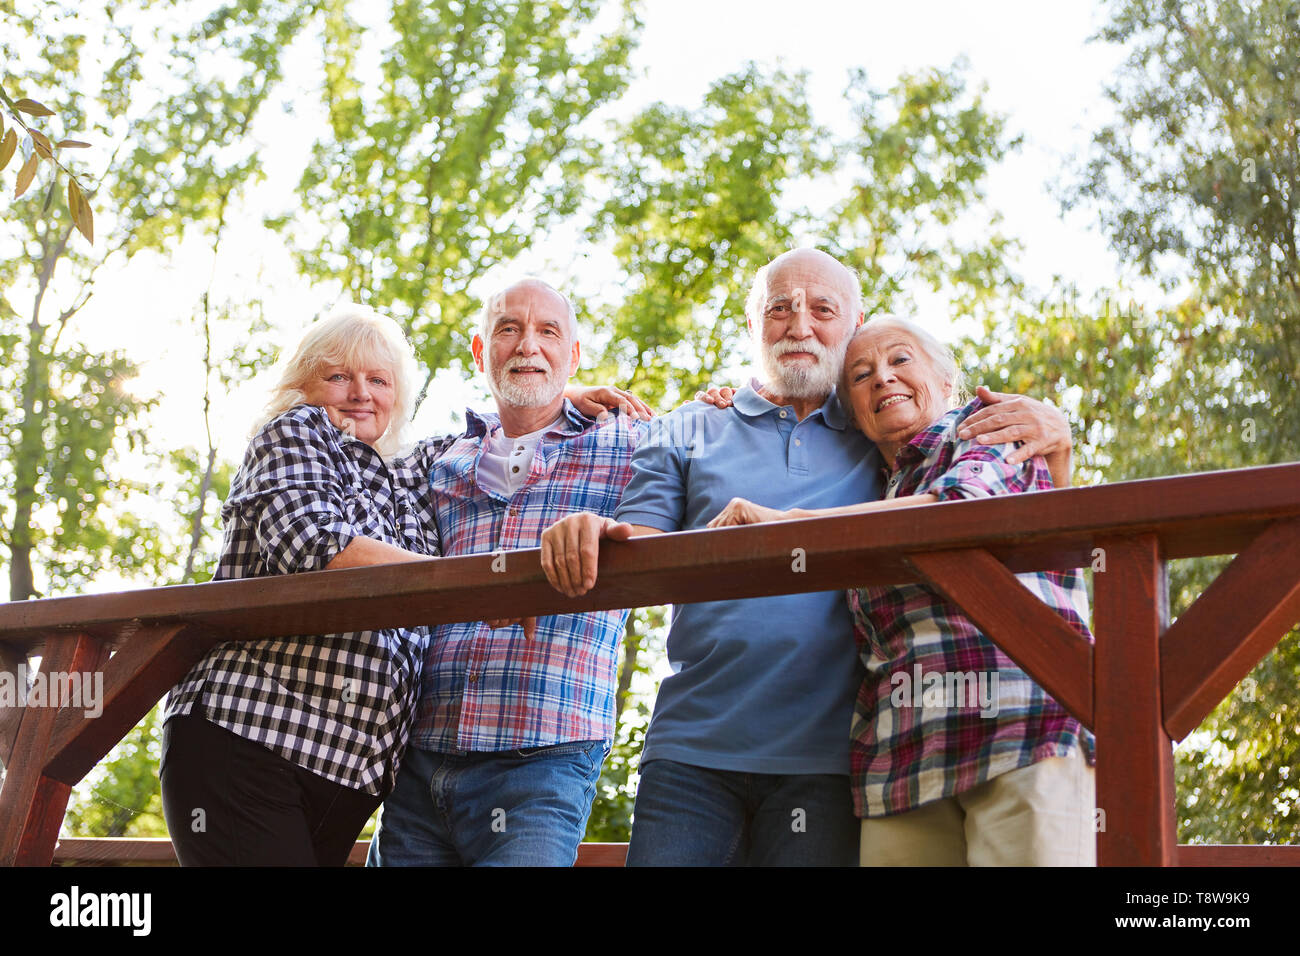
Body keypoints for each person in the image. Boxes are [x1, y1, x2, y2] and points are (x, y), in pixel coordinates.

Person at [540, 247, 1073, 866]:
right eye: (779, 310)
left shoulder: (884, 427)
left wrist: (1057, 437)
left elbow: (977, 492)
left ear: (853, 324)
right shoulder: (689, 425)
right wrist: (587, 516)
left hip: (829, 758)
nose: (799, 325)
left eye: (823, 309)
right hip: (692, 748)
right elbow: (641, 549)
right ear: (751, 327)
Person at [707, 316, 1096, 866]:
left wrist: (791, 523)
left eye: (900, 360)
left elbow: (962, 509)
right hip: (903, 757)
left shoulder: (988, 428)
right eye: (861, 375)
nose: (883, 378)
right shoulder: (871, 486)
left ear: (944, 380)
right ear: (850, 412)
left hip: (1020, 726)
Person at [366, 278, 653, 867]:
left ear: (573, 356)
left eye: (549, 333)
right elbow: (350, 468)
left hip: (543, 759)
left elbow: (715, 467)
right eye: (509, 330)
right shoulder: (437, 460)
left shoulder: (631, 443)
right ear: (480, 351)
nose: (528, 345)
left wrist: (728, 397)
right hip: (421, 758)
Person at [160, 305, 443, 866]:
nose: (360, 392)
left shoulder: (408, 478)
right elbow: (314, 544)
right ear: (303, 385)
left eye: (379, 380)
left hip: (347, 776)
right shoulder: (297, 431)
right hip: (252, 738)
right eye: (339, 375)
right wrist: (456, 587)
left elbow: (499, 439)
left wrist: (565, 402)